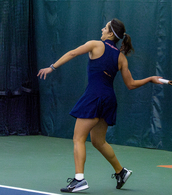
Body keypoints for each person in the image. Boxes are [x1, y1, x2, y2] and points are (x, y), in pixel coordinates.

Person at [37, 18, 162, 193]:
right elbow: (131, 84)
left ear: (111, 33)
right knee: (98, 141)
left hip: (94, 96)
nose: (102, 29)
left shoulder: (95, 45)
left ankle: (79, 179)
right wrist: (150, 79)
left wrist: (52, 67)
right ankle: (121, 171)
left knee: (78, 139)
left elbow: (72, 53)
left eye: (105, 28)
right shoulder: (121, 58)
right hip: (108, 99)